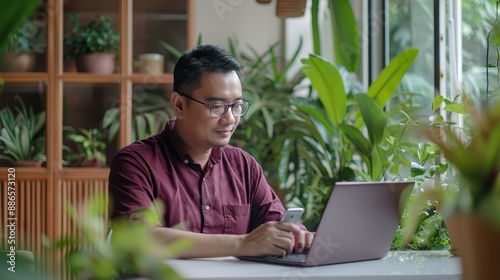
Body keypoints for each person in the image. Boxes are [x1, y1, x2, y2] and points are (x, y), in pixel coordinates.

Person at [108, 44, 314, 258]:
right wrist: (243, 244)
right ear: (179, 105)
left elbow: (276, 225)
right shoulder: (134, 163)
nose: (230, 118)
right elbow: (141, 240)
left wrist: (297, 236)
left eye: (237, 106)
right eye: (216, 107)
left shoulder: (244, 166)